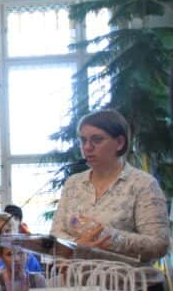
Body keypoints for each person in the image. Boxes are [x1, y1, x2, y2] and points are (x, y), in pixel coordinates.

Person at [51, 109, 169, 263]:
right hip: (76, 276)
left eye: (97, 140)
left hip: (126, 277)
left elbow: (159, 245)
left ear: (120, 143)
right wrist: (77, 246)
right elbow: (55, 233)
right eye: (83, 140)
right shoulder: (73, 183)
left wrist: (106, 237)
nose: (87, 147)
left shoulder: (143, 184)